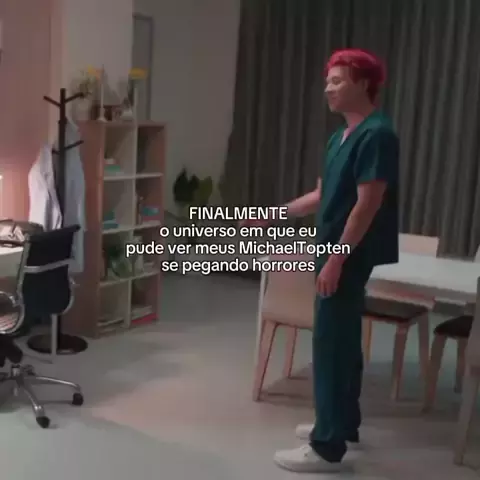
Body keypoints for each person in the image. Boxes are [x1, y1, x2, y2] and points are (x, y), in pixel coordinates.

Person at [243, 49, 399, 473]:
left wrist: (336, 258)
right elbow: (321, 195)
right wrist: (274, 214)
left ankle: (327, 447)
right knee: (343, 342)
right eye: (327, 81)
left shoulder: (377, 135)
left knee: (329, 346)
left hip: (346, 254)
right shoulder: (340, 137)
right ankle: (342, 424)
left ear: (363, 84)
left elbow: (367, 205)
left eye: (337, 81)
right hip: (333, 251)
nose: (328, 89)